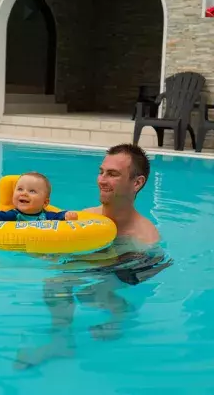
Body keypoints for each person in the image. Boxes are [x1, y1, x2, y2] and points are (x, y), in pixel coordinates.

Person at [14, 143, 172, 370]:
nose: (102, 180)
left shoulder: (145, 237)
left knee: (91, 292)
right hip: (102, 257)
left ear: (137, 183)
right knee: (55, 283)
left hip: (141, 261)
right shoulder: (87, 216)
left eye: (113, 174)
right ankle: (61, 341)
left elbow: (137, 268)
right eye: (101, 172)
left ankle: (121, 314)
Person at [0, 172, 78, 221]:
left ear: (45, 203)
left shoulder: (46, 216)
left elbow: (58, 216)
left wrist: (66, 215)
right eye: (20, 189)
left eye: (32, 191)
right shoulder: (14, 215)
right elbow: (1, 215)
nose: (24, 193)